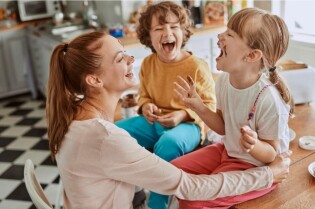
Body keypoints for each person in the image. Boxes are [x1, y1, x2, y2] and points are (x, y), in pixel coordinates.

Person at [45, 31, 292, 209]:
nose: (131, 59)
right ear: (94, 80)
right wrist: (269, 174)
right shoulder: (106, 138)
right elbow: (190, 188)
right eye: (120, 58)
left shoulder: (73, 114)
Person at [173, 7, 294, 209]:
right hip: (228, 150)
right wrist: (199, 107)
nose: (220, 36)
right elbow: (222, 127)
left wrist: (253, 145)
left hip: (255, 167)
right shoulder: (223, 81)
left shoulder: (268, 99)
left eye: (230, 34)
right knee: (173, 173)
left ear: (252, 55)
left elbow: (272, 155)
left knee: (192, 200)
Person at [115, 2, 216, 208]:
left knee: (168, 144)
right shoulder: (148, 64)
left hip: (189, 126)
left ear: (183, 31)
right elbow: (143, 96)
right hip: (154, 123)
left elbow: (209, 106)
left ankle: (157, 203)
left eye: (174, 26)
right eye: (159, 28)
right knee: (114, 133)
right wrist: (145, 107)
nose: (167, 32)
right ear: (148, 36)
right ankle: (131, 191)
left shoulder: (196, 66)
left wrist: (181, 115)